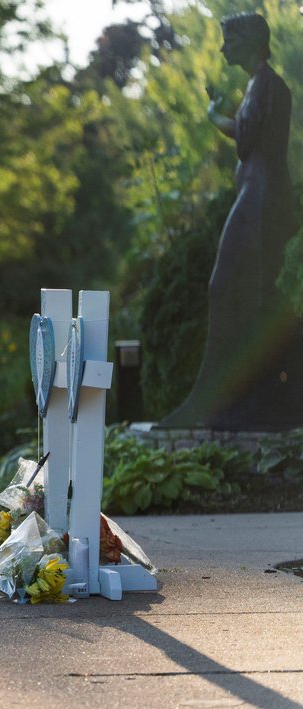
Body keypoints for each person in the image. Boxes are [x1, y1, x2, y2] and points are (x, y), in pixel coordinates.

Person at [162, 11, 303, 429]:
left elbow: (244, 142)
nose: (223, 48)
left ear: (251, 42)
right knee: (240, 290)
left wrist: (212, 116)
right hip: (257, 193)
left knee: (232, 286)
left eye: (229, 40)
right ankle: (234, 397)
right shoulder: (261, 85)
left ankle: (245, 398)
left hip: (261, 198)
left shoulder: (265, 84)